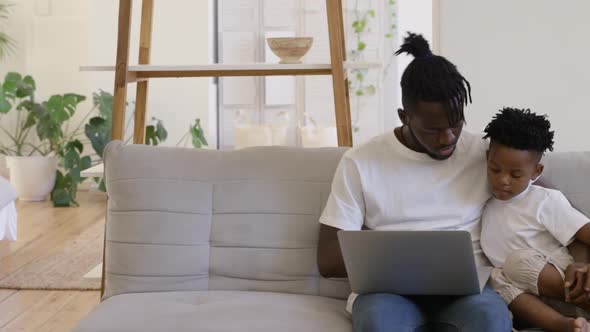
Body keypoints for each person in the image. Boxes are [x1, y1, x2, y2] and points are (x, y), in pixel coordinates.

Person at [317, 32, 512, 331]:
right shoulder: (361, 161)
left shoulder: (483, 154)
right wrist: (398, 265)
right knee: (379, 324)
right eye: (434, 130)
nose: (448, 139)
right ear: (404, 116)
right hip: (387, 294)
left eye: (455, 124)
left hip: (465, 293)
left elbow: (544, 200)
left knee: (493, 321)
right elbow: (328, 260)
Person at [480, 107, 590, 332]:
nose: (503, 180)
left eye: (515, 175)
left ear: (536, 171)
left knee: (516, 262)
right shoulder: (481, 202)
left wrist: (583, 265)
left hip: (563, 279)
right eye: (495, 169)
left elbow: (583, 231)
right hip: (532, 302)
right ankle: (563, 325)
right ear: (486, 159)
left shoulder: (543, 200)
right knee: (493, 278)